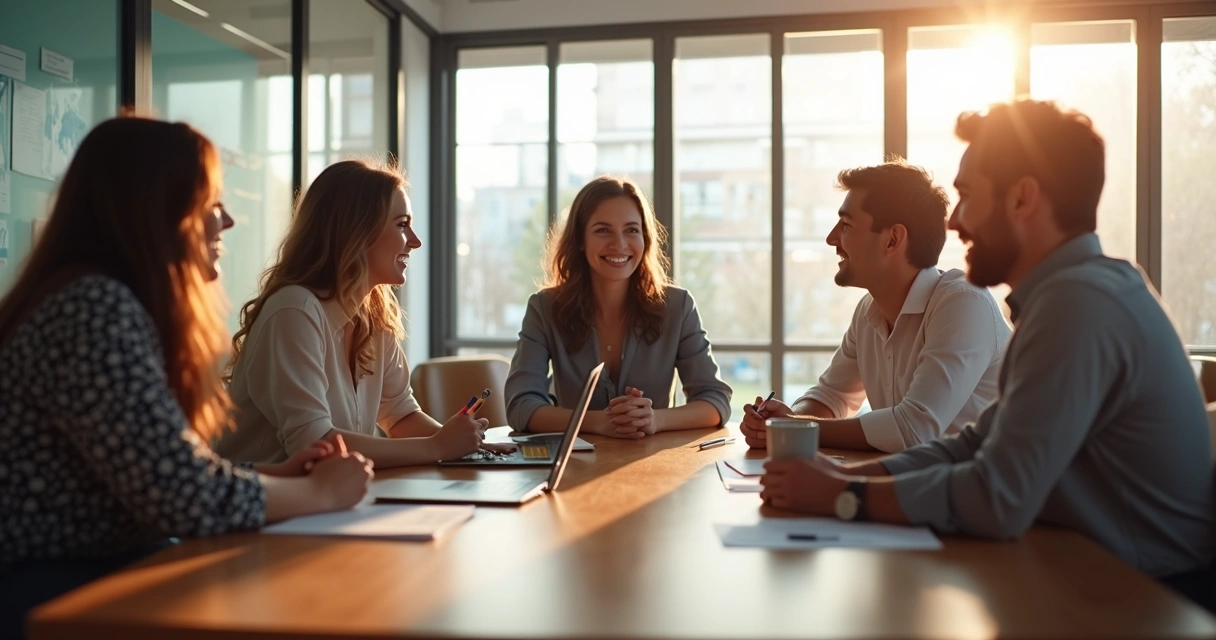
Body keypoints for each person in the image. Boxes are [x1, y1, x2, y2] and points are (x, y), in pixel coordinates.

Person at [759, 99, 1216, 604]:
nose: (954, 221)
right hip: (1103, 577)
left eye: (968, 196)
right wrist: (843, 475)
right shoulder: (1072, 296)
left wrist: (844, 495)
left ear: (1023, 198)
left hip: (1154, 601)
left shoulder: (1079, 305)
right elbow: (973, 445)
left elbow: (997, 496)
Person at [0, 117, 373, 635]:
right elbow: (180, 496)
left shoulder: (103, 302)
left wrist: (276, 476)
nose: (227, 221)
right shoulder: (92, 309)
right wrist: (322, 494)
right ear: (156, 211)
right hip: (53, 592)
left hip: (101, 572)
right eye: (212, 202)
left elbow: (164, 470)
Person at [216, 159, 510, 467]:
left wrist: (467, 446)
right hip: (268, 496)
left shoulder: (375, 315)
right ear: (356, 231)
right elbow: (314, 443)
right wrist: (437, 447)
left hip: (332, 491)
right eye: (402, 224)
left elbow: (400, 415)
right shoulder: (293, 311)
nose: (415, 241)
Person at [741, 160, 1010, 453]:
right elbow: (831, 396)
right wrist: (788, 420)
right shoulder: (868, 311)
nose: (831, 238)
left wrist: (795, 429)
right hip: (916, 477)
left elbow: (912, 430)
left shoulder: (964, 304)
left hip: (981, 481)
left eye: (846, 225)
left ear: (892, 240)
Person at [505, 175, 731, 437]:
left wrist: (655, 420)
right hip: (576, 460)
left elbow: (715, 401)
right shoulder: (544, 308)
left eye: (631, 230)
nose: (620, 244)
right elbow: (520, 406)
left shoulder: (678, 307)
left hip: (654, 459)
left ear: (645, 238)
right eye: (603, 230)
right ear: (580, 240)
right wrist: (597, 422)